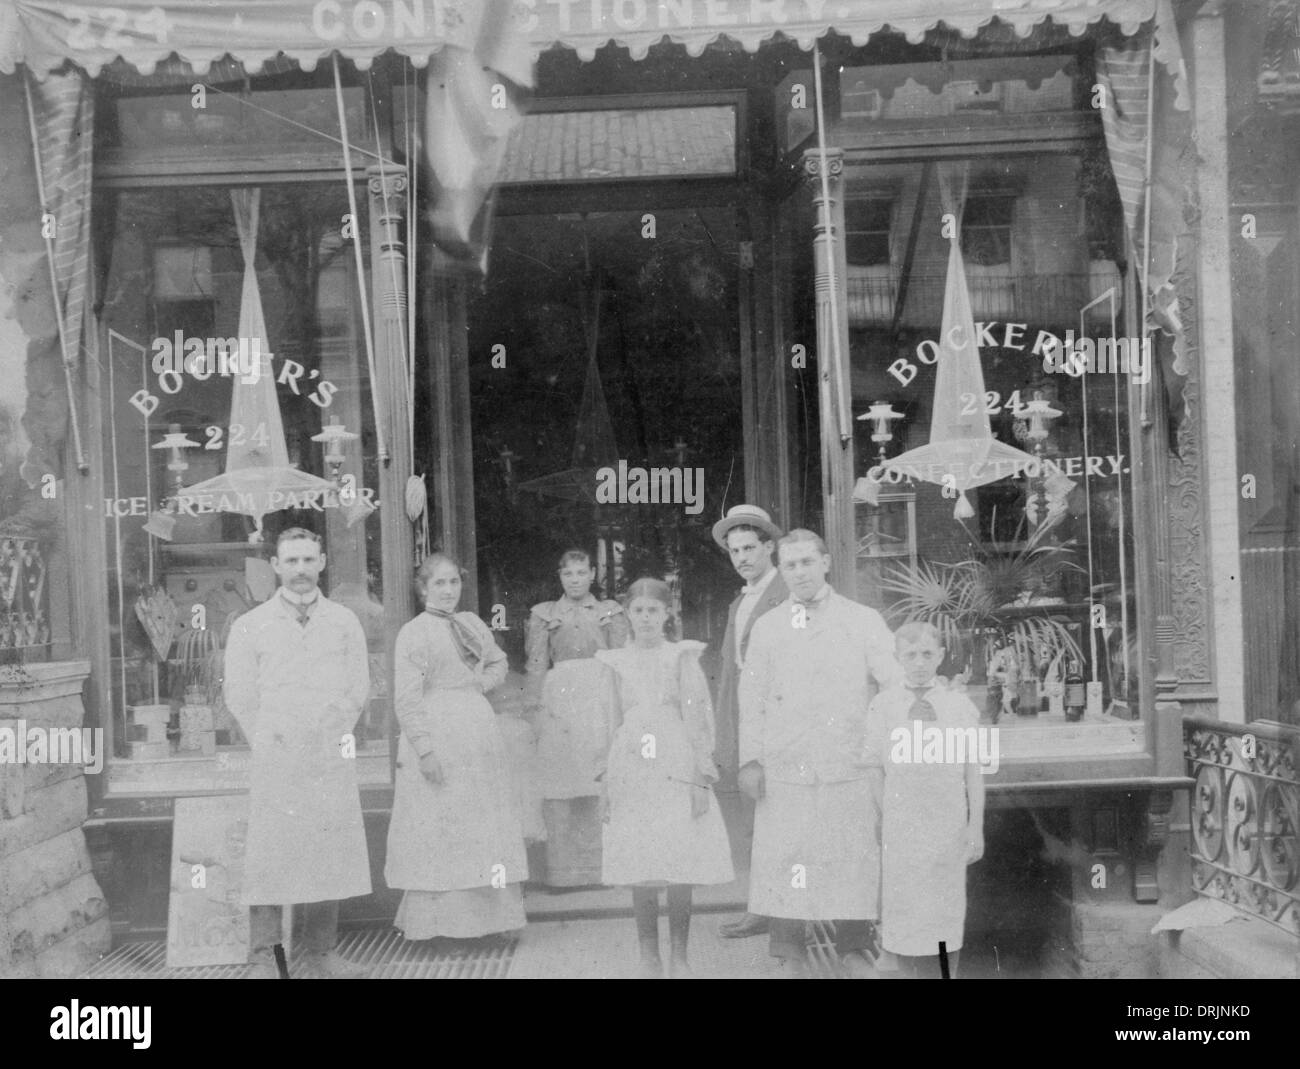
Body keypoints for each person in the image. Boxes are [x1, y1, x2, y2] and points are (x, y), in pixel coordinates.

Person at [738, 529, 903, 978]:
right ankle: (789, 952)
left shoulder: (862, 619)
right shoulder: (768, 627)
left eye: (807, 562)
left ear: (826, 563)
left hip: (846, 757)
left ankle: (853, 948)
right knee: (787, 855)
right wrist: (751, 760)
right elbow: (751, 698)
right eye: (790, 565)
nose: (799, 573)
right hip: (785, 759)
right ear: (782, 569)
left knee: (850, 854)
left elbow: (893, 683)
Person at [223, 527, 371, 979]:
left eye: (308, 560)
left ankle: (322, 952)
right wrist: (270, 737)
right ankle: (265, 957)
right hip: (277, 754)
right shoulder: (251, 625)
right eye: (291, 561)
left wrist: (334, 727)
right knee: (271, 854)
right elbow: (240, 694)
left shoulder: (344, 621)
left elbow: (358, 685)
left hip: (327, 753)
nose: (301, 570)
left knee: (328, 848)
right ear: (276, 566)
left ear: (322, 562)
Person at [595, 577, 735, 978]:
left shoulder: (681, 657)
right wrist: (606, 783)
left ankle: (679, 955)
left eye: (653, 610)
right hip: (631, 767)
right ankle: (648, 956)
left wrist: (700, 778)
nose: (645, 618)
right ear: (627, 614)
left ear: (667, 613)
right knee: (641, 860)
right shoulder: (614, 663)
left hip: (675, 763)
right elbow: (608, 722)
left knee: (678, 858)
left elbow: (698, 718)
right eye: (638, 611)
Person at [384, 553, 528, 940]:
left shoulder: (472, 624)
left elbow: (498, 662)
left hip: (476, 732)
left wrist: (478, 685)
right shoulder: (414, 632)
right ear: (423, 589)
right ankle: (445, 929)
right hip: (438, 731)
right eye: (439, 583)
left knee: (483, 825)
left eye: (454, 582)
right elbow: (407, 699)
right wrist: (425, 750)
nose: (448, 591)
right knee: (445, 827)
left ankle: (491, 923)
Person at [866, 621, 985, 979]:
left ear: (941, 656)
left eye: (927, 654)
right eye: (911, 655)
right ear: (898, 657)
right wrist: (888, 815)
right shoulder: (884, 706)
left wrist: (975, 826)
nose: (919, 662)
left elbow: (973, 771)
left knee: (944, 909)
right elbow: (874, 768)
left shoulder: (958, 706)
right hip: (903, 825)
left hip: (947, 824)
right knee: (905, 910)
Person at [524, 549, 630, 886]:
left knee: (598, 774)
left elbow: (621, 660)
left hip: (599, 695)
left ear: (592, 574)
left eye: (581, 573)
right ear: (560, 576)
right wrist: (534, 708)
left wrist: (625, 705)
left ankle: (601, 869)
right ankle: (564, 873)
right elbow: (536, 664)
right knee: (562, 776)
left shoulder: (609, 611)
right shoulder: (545, 614)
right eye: (568, 574)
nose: (575, 580)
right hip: (560, 700)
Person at [711, 504, 787, 940]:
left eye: (749, 548)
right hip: (745, 721)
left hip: (779, 721)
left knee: (784, 816)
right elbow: (730, 675)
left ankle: (789, 912)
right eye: (734, 550)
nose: (741, 557)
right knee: (753, 816)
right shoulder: (738, 603)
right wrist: (725, 735)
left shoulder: (786, 591)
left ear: (769, 547)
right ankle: (762, 907)